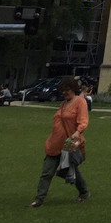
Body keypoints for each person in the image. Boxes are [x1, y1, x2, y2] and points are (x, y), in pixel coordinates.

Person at [28, 76, 89, 207]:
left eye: (66, 90)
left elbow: (83, 121)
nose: (64, 92)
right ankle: (39, 199)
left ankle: (84, 192)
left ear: (73, 89)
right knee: (47, 172)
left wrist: (78, 132)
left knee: (72, 172)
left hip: (68, 145)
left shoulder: (80, 101)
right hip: (55, 143)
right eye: (62, 90)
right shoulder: (63, 104)